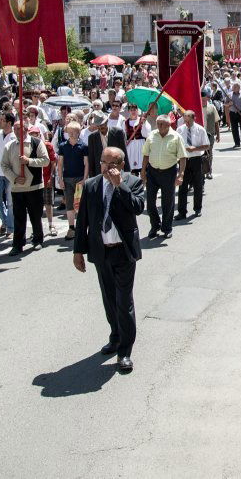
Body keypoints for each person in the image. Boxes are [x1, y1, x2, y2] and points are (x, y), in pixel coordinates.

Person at [73, 146, 144, 374]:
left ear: (121, 165)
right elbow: (83, 220)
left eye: (112, 164)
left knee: (124, 301)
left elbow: (138, 207)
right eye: (104, 162)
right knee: (109, 299)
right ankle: (115, 336)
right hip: (101, 252)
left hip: (123, 251)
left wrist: (119, 185)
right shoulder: (91, 185)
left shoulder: (132, 182)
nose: (107, 167)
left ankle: (125, 351)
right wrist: (78, 251)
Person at [3, 121, 50, 256]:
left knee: (35, 215)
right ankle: (18, 244)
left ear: (26, 129)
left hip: (34, 186)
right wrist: (14, 178)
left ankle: (37, 239)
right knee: (19, 217)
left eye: (20, 128)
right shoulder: (9, 146)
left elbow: (45, 160)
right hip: (17, 188)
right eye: (15, 129)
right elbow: (4, 165)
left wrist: (29, 161)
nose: (18, 131)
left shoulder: (36, 143)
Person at [141, 115, 186, 238]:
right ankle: (155, 226)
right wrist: (143, 171)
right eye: (158, 123)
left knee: (167, 202)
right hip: (152, 172)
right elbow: (146, 154)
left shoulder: (176, 137)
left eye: (161, 124)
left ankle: (167, 228)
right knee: (150, 203)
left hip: (169, 172)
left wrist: (181, 174)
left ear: (168, 125)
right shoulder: (152, 135)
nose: (159, 126)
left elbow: (182, 157)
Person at [57, 121, 90, 240]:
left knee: (80, 204)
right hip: (67, 178)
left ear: (78, 132)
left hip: (79, 178)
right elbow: (60, 163)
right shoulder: (63, 146)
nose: (71, 134)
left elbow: (86, 164)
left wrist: (85, 179)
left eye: (74, 132)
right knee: (69, 204)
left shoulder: (83, 146)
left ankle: (82, 228)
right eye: (69, 132)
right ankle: (71, 228)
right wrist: (60, 179)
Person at [176, 110, 208, 219]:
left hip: (196, 159)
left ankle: (197, 208)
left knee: (197, 185)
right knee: (182, 186)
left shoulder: (200, 129)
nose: (187, 122)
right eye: (185, 120)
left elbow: (206, 145)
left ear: (194, 118)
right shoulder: (180, 129)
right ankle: (182, 212)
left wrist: (195, 148)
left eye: (189, 120)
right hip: (184, 159)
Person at [201, 91, 221, 179]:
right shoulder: (196, 107)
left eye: (204, 99)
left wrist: (218, 134)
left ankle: (209, 172)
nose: (203, 101)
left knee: (209, 153)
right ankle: (201, 172)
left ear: (207, 98)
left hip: (210, 133)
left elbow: (216, 122)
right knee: (200, 154)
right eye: (201, 100)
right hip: (199, 135)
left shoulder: (212, 107)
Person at [227, 84, 241, 149]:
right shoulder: (229, 95)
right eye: (233, 87)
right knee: (234, 129)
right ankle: (237, 143)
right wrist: (229, 104)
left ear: (239, 88)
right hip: (232, 113)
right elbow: (225, 104)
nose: (233, 88)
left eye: (235, 87)